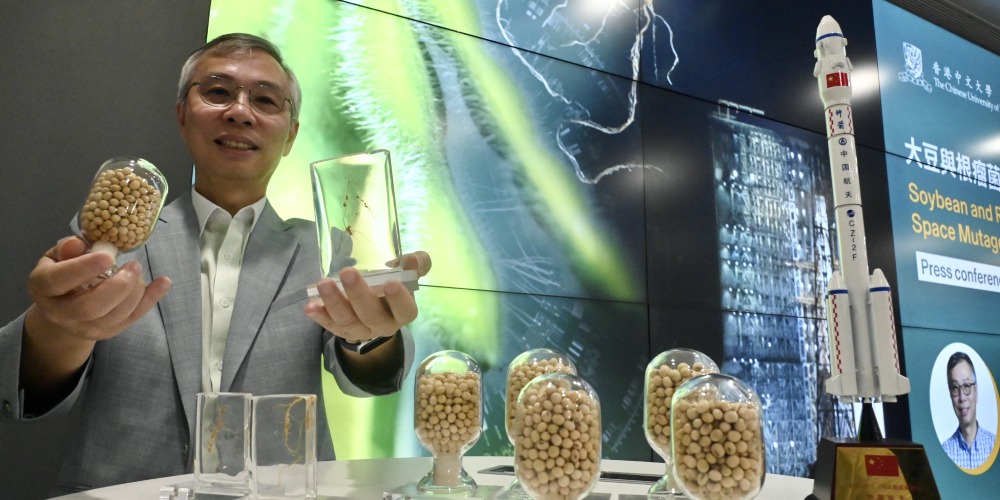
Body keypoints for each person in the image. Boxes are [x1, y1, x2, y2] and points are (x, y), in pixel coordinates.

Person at [0, 33, 431, 495]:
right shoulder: (111, 238)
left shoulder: (323, 250)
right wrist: (59, 328)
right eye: (219, 92)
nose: (240, 111)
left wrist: (372, 334)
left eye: (265, 100)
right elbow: (26, 387)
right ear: (182, 114)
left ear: (290, 134)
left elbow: (371, 375)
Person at [940, 351, 996, 469]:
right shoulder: (944, 452)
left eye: (966, 386)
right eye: (955, 388)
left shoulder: (995, 446)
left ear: (976, 391)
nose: (962, 397)